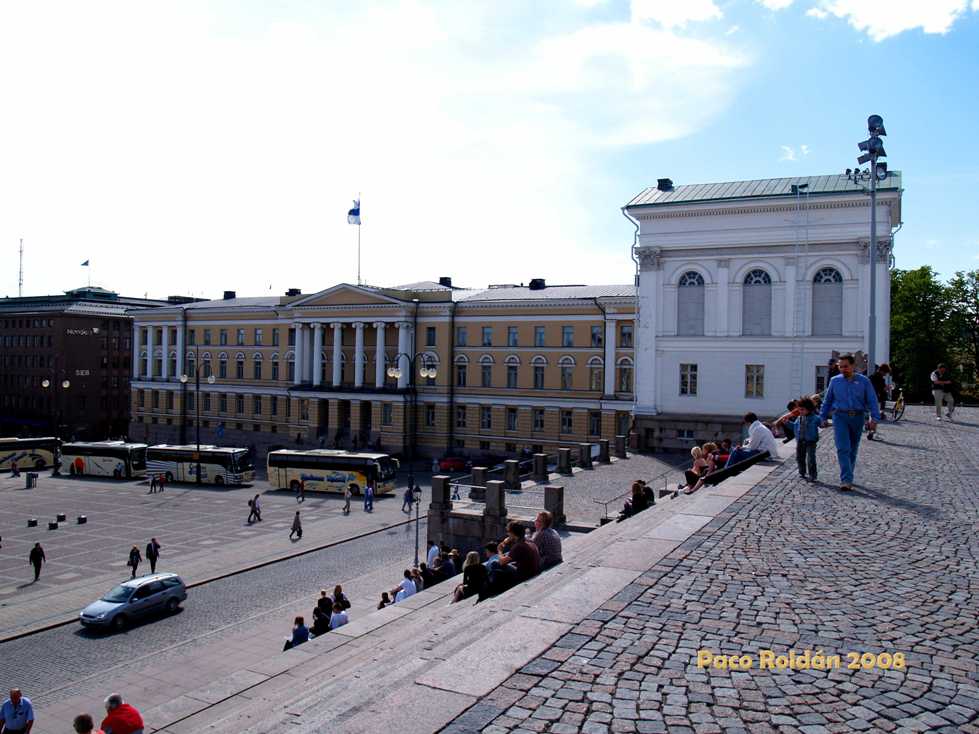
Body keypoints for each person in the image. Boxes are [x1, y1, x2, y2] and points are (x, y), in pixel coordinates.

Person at [818, 352, 880, 491]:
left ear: (853, 366)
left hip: (857, 417)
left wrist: (874, 419)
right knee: (842, 448)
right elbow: (827, 401)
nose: (842, 369)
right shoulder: (835, 381)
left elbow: (872, 400)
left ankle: (849, 475)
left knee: (852, 449)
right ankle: (846, 479)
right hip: (840, 416)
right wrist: (822, 417)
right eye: (840, 367)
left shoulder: (864, 381)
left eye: (845, 366)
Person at [489, 521, 541, 595]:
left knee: (494, 563)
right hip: (533, 572)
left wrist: (499, 550)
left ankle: (491, 590)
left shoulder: (518, 546)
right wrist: (505, 542)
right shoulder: (529, 541)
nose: (507, 534)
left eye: (508, 532)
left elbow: (502, 562)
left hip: (524, 576)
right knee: (509, 563)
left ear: (513, 533)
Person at [791, 397, 820, 482]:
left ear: (809, 409)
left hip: (811, 441)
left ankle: (812, 475)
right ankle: (802, 472)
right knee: (800, 457)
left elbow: (821, 423)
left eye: (802, 410)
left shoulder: (815, 418)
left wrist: (825, 423)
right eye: (799, 410)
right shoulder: (800, 418)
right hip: (800, 440)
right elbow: (794, 426)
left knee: (811, 458)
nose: (800, 412)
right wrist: (787, 423)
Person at [868, 364, 891, 439]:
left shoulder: (872, 376)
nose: (885, 374)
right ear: (882, 371)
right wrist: (887, 388)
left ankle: (871, 430)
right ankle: (872, 432)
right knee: (875, 416)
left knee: (871, 415)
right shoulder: (879, 378)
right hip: (876, 399)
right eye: (885, 372)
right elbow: (881, 389)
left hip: (870, 398)